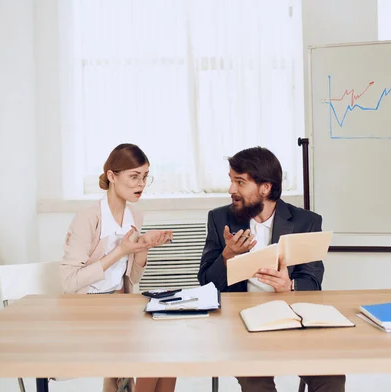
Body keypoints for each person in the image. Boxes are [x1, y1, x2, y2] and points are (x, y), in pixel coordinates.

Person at [197, 146, 345, 392]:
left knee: (331, 378)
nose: (231, 189)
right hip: (241, 322)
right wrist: (226, 256)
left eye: (240, 182)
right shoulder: (220, 218)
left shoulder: (305, 221)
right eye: (231, 181)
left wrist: (289, 286)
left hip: (293, 318)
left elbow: (312, 281)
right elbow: (205, 283)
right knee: (257, 384)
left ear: (265, 188)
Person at [60, 143, 177, 392]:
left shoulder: (135, 217)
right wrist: (121, 251)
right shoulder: (88, 218)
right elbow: (68, 281)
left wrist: (143, 247)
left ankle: (124, 383)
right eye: (134, 177)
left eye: (145, 177)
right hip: (88, 309)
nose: (141, 184)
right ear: (112, 176)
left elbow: (132, 279)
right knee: (151, 355)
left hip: (120, 304)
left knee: (168, 349)